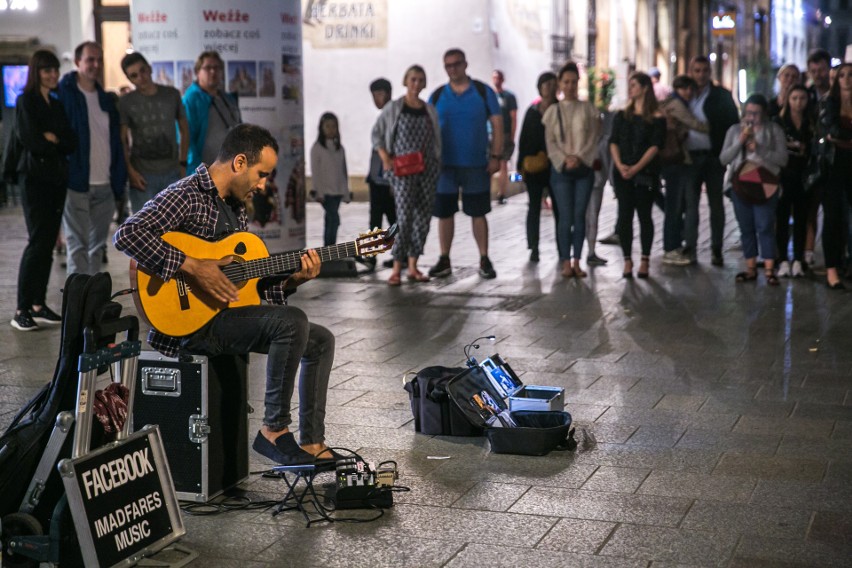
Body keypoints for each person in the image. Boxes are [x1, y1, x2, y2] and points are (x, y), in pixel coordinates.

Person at [114, 123, 339, 467]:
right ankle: (273, 431)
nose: (263, 185)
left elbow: (249, 284)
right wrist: (192, 266)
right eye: (261, 174)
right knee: (293, 321)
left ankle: (311, 443)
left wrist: (294, 280)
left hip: (223, 315)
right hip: (189, 326)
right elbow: (128, 234)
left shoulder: (234, 207)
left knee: (320, 340)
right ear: (238, 163)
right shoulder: (187, 194)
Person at [9, 50, 76, 331]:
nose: (51, 74)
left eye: (54, 70)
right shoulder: (26, 101)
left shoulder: (56, 104)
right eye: (46, 70)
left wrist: (54, 139)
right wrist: (53, 140)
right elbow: (31, 140)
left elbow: (71, 141)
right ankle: (21, 308)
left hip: (54, 178)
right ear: (35, 72)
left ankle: (38, 304)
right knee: (38, 241)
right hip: (35, 179)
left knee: (48, 243)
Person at [427, 48, 503, 279]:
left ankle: (484, 257)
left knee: (478, 213)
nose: (453, 69)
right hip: (445, 167)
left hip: (476, 165)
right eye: (448, 65)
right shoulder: (438, 95)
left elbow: (498, 124)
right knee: (445, 213)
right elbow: (427, 128)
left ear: (465, 64)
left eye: (457, 64)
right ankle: (444, 258)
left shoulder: (483, 92)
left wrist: (496, 156)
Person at [57, 41, 127, 276]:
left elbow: (115, 142)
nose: (95, 64)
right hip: (76, 183)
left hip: (105, 185)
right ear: (78, 62)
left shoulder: (106, 99)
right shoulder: (64, 94)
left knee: (97, 248)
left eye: (99, 59)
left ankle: (92, 304)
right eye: (90, 59)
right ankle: (77, 308)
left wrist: (118, 180)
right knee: (77, 247)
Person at [372, 65, 441, 285]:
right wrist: (385, 159)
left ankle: (413, 266)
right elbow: (377, 134)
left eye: (421, 80)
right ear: (405, 81)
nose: (416, 84)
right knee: (403, 218)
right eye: (413, 79)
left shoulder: (429, 110)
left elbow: (436, 140)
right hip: (402, 171)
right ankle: (396, 267)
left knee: (423, 218)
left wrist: (437, 163)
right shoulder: (394, 108)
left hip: (427, 170)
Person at [720, 94, 788, 286]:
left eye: (756, 113)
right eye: (749, 112)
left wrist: (759, 148)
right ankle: (750, 267)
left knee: (765, 225)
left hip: (766, 185)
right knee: (746, 227)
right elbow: (724, 158)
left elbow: (782, 159)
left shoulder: (774, 130)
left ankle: (768, 268)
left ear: (764, 113)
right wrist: (739, 142)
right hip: (740, 185)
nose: (752, 117)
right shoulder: (735, 130)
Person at [542, 61, 600, 278]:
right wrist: (565, 160)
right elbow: (550, 142)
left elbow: (594, 138)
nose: (570, 86)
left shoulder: (588, 109)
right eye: (566, 82)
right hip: (561, 170)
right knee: (565, 217)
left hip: (583, 169)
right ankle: (565, 260)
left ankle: (577, 260)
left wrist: (580, 157)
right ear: (560, 83)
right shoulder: (552, 111)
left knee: (579, 216)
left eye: (574, 82)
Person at [608, 72, 666, 279]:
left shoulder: (657, 118)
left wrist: (636, 168)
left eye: (634, 85)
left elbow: (655, 147)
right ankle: (627, 260)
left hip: (645, 174)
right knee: (624, 215)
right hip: (623, 172)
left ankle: (644, 259)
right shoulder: (622, 116)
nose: (630, 88)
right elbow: (613, 141)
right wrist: (620, 165)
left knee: (644, 216)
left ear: (644, 88)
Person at [683, 55, 740, 266]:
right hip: (690, 158)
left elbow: (732, 124)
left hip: (713, 158)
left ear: (710, 72)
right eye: (696, 70)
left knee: (716, 204)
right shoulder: (685, 95)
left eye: (704, 70)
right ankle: (690, 247)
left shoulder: (721, 95)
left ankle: (716, 248)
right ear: (691, 71)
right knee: (691, 204)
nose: (700, 74)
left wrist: (725, 153)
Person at [119, 52, 189, 214]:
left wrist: (183, 163)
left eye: (142, 71)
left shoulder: (171, 94)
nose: (140, 78)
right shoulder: (126, 102)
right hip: (142, 175)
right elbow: (122, 140)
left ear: (150, 69)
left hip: (172, 172)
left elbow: (185, 129)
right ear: (129, 79)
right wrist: (130, 171)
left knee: (175, 229)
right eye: (134, 75)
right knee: (144, 230)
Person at [659, 75, 709, 266]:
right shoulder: (677, 105)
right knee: (674, 206)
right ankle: (671, 247)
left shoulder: (672, 103)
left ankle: (673, 244)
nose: (688, 92)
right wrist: (713, 127)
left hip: (673, 160)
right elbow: (694, 124)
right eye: (684, 89)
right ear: (677, 89)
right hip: (674, 161)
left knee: (674, 204)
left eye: (690, 89)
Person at [817, 63, 852, 289]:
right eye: (842, 76)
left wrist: (841, 138)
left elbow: (838, 135)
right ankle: (832, 270)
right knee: (832, 217)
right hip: (832, 166)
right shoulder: (829, 102)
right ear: (836, 79)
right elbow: (831, 131)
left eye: (851, 75)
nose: (847, 79)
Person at [517, 72, 557, 262]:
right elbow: (523, 139)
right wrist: (520, 167)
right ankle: (533, 246)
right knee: (534, 206)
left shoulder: (559, 109)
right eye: (545, 84)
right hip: (534, 167)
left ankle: (562, 244)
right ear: (539, 87)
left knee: (559, 207)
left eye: (551, 84)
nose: (548, 88)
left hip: (555, 166)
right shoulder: (531, 112)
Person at [773, 85, 812, 278]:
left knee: (801, 219)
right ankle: (782, 261)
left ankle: (798, 258)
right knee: (781, 219)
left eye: (802, 98)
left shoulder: (810, 122)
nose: (798, 102)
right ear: (788, 100)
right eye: (794, 98)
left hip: (804, 176)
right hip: (783, 175)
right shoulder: (779, 122)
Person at [183, 51, 241, 172]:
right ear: (197, 72)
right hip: (206, 174)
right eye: (208, 68)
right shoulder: (191, 99)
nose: (213, 71)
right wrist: (197, 173)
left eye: (217, 68)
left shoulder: (228, 98)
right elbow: (187, 139)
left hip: (231, 170)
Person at [362, 78, 396, 270]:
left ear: (385, 93)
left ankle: (375, 256)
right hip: (378, 177)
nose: (375, 99)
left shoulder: (390, 116)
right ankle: (400, 254)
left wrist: (392, 180)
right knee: (388, 218)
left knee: (384, 219)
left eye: (377, 95)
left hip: (385, 179)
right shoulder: (387, 114)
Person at [309, 112, 349, 246]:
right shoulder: (317, 148)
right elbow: (316, 172)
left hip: (337, 192)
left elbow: (343, 172)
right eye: (327, 126)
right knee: (334, 218)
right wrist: (318, 192)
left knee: (331, 220)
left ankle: (330, 246)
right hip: (326, 193)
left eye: (333, 126)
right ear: (321, 128)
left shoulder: (340, 149)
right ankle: (328, 247)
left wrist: (345, 193)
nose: (331, 129)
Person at [491, 69, 518, 205]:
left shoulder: (509, 96)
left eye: (498, 78)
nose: (496, 80)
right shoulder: (490, 96)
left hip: (505, 133)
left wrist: (512, 135)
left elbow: (513, 116)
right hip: (491, 134)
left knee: (503, 164)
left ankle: (502, 193)